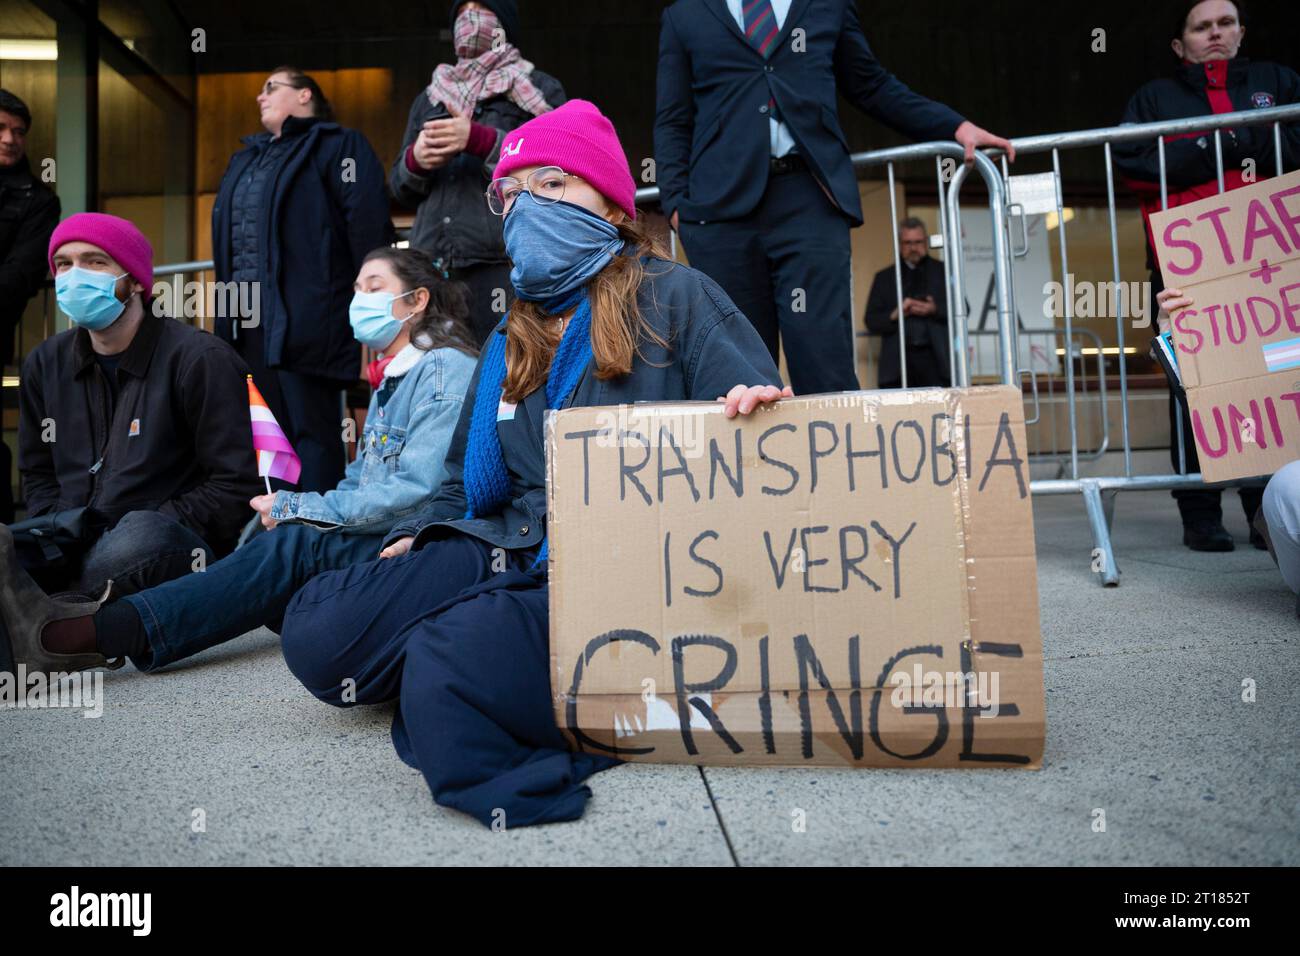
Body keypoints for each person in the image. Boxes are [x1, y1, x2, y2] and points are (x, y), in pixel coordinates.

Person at [277, 100, 790, 829]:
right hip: (507, 544)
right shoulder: (505, 342)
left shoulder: (676, 296)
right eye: (512, 193)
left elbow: (765, 452)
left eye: (553, 184)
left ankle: (486, 660)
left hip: (623, 569)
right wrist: (423, 535)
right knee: (318, 631)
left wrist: (754, 407)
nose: (526, 206)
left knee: (442, 663)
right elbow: (460, 482)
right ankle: (491, 644)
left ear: (612, 206)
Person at [0, 247, 477, 678]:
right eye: (355, 290)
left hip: (416, 537)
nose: (358, 300)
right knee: (280, 570)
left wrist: (300, 509)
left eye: (374, 289)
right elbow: (360, 481)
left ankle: (81, 635)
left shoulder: (441, 369)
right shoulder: (394, 377)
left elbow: (420, 489)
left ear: (417, 302)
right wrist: (305, 510)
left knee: (292, 549)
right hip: (386, 531)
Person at [653, 0, 1013, 396]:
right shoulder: (684, 14)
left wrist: (955, 126)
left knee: (825, 364)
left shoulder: (828, 5)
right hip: (720, 215)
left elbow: (871, 84)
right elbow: (673, 118)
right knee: (737, 375)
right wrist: (675, 205)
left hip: (810, 200)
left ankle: (832, 458)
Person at [1, 213, 257, 674]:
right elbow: (37, 472)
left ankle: (45, 615)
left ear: (133, 280)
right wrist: (52, 535)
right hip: (74, 542)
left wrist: (146, 522)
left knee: (137, 536)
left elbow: (235, 485)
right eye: (63, 264)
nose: (74, 275)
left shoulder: (199, 359)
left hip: (173, 545)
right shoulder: (45, 364)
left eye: (94, 261)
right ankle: (59, 614)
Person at [1113, 0, 1300, 552]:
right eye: (1201, 27)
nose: (1214, 33)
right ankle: (1199, 514)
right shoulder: (1153, 98)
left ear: (1242, 31)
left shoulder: (1280, 80)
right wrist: (1230, 139)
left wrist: (1209, 144)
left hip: (1271, 269)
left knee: (1273, 386)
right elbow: (1132, 162)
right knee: (1191, 388)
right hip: (1185, 273)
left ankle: (1268, 509)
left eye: (1225, 23)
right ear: (1180, 44)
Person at [212, 66, 394, 494]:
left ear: (305, 95)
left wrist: (372, 299)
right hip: (245, 322)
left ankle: (316, 542)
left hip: (308, 318)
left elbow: (367, 226)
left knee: (312, 433)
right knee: (262, 438)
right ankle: (275, 536)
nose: (260, 97)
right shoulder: (246, 158)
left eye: (272, 88)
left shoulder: (339, 146)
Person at [391, 0, 565, 345]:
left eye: (480, 8)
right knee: (438, 373)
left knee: (506, 367)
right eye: (461, 11)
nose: (469, 19)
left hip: (502, 264)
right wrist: (416, 161)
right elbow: (398, 188)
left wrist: (480, 140)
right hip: (435, 266)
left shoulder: (538, 88)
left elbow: (555, 164)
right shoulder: (430, 97)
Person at [1, 89, 60, 524]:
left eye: (18, 132)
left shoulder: (37, 200)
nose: (10, 139)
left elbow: (18, 276)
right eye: (0, 129)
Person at [864, 217, 951, 388]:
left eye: (918, 242)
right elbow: (870, 320)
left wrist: (934, 309)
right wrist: (895, 314)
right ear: (899, 244)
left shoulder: (942, 271)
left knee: (940, 412)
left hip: (937, 361)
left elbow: (963, 309)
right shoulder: (885, 277)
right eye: (907, 243)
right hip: (897, 363)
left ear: (926, 242)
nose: (913, 248)